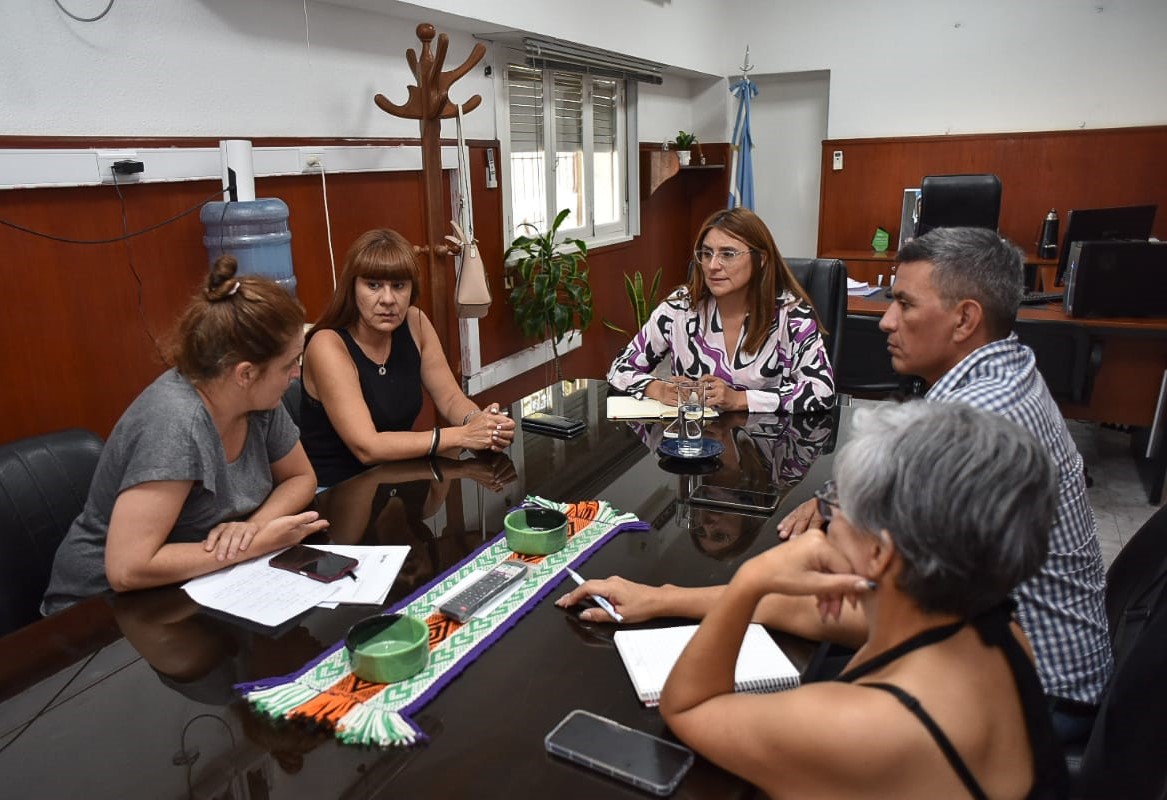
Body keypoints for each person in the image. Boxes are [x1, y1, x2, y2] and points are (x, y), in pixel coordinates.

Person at [563, 227, 1111, 745]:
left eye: (905, 303)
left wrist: (669, 598)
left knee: (752, 718)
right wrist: (834, 500)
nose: (885, 321)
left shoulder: (978, 423)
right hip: (1028, 656)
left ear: (965, 318)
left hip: (1039, 693)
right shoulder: (1002, 371)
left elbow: (865, 605)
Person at [656, 401, 1068, 798]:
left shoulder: (864, 726)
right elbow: (808, 611)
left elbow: (690, 708)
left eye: (835, 508)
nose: (824, 527)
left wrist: (751, 579)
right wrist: (664, 599)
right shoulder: (997, 629)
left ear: (879, 553)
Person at [42, 257, 329, 615]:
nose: (296, 375)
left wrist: (252, 529)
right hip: (98, 617)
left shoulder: (259, 402)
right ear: (245, 374)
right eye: (289, 364)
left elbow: (301, 478)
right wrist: (252, 547)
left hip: (196, 584)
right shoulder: (176, 423)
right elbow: (127, 569)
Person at [300, 229, 515, 487]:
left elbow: (450, 398)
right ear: (352, 288)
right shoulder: (327, 344)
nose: (388, 299)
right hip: (336, 491)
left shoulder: (415, 322)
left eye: (399, 285)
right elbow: (367, 447)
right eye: (373, 285)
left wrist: (482, 424)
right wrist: (464, 435)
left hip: (396, 477)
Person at [606, 208, 835, 414]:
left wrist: (739, 399)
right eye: (706, 254)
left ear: (761, 259)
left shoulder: (791, 315)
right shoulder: (680, 308)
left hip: (763, 449)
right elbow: (620, 368)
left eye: (728, 254)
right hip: (693, 445)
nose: (713, 265)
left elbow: (822, 390)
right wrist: (658, 388)